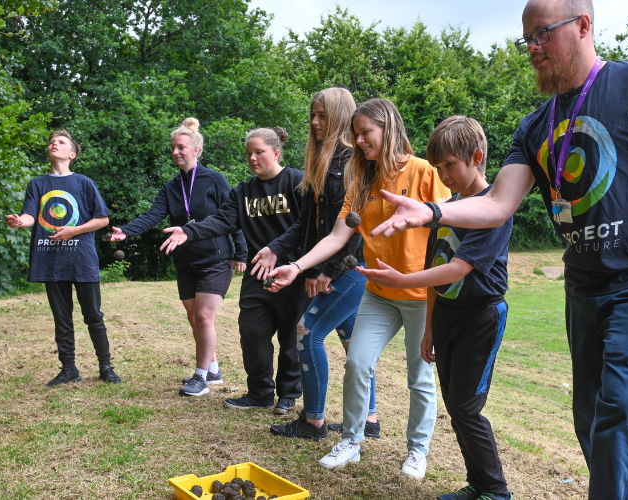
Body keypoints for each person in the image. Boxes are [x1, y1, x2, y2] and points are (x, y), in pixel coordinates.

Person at [370, 1, 628, 497]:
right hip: (583, 289)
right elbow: (497, 203)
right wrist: (434, 212)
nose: (533, 49)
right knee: (593, 420)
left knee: (621, 407)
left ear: (584, 25)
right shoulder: (534, 126)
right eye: (527, 39)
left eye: (543, 35)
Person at [267, 98, 451, 479]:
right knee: (357, 363)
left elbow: (449, 232)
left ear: (389, 128)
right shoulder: (362, 181)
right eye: (356, 134)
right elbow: (338, 235)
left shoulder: (423, 172)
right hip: (380, 294)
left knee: (419, 377)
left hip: (420, 297)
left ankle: (417, 451)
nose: (360, 141)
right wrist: (297, 266)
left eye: (366, 132)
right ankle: (351, 442)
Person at [360, 116, 513, 500]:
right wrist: (429, 326)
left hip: (481, 317)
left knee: (465, 407)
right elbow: (434, 268)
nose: (444, 175)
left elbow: (458, 268)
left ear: (476, 157)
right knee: (454, 404)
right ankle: (478, 484)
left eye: (451, 165)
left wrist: (400, 280)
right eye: (439, 167)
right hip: (445, 315)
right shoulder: (446, 207)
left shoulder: (492, 209)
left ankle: (496, 491)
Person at [253, 88, 378, 442]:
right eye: (313, 114)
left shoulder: (354, 161)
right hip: (331, 264)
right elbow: (306, 224)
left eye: (322, 115)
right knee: (354, 342)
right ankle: (369, 419)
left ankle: (313, 421)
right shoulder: (321, 161)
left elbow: (353, 228)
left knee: (307, 333)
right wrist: (275, 249)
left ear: (340, 116)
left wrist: (326, 272)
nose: (314, 122)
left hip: (351, 267)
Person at [161, 127, 308, 414]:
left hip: (292, 272)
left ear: (276, 153)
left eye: (259, 152)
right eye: (249, 154)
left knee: (291, 337)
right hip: (257, 274)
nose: (252, 158)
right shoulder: (243, 191)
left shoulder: (297, 182)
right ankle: (260, 393)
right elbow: (221, 221)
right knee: (252, 332)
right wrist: (189, 232)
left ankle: (288, 396)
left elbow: (308, 226)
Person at [107, 117, 248, 397]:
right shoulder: (170, 188)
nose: (175, 152)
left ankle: (200, 378)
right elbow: (153, 215)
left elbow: (233, 216)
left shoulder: (214, 179)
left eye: (181, 147)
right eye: (173, 148)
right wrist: (126, 231)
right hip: (185, 260)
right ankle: (213, 369)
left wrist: (241, 251)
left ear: (196, 150)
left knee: (206, 317)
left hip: (216, 258)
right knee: (195, 319)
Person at [6, 130, 122, 386]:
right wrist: (19, 221)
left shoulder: (84, 183)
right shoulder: (37, 184)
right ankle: (69, 369)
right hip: (50, 260)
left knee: (93, 315)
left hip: (82, 260)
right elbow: (30, 216)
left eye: (60, 142)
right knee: (62, 318)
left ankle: (106, 367)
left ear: (72, 154)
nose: (53, 144)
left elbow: (102, 219)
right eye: (51, 142)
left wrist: (74, 230)